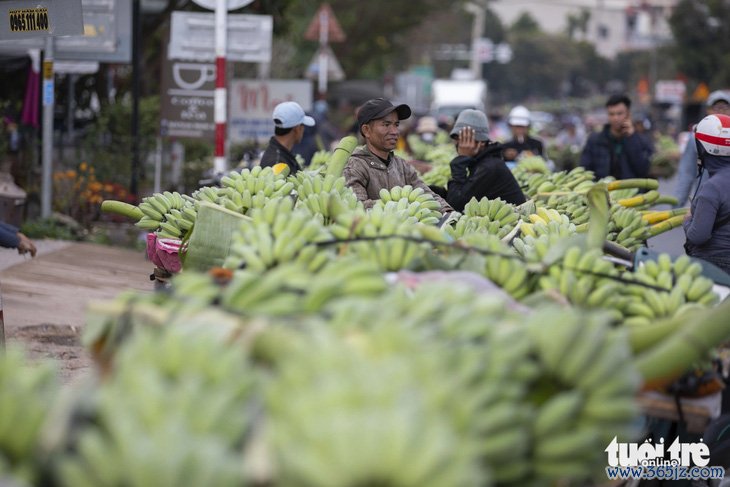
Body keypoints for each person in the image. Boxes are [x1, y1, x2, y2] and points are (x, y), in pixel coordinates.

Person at [343, 98, 452, 212]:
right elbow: (356, 206)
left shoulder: (401, 166)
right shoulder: (355, 167)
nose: (395, 131)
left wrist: (449, 213)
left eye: (396, 124)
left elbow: (428, 195)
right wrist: (404, 204)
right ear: (366, 130)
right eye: (386, 125)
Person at [446, 109, 526, 212]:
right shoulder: (481, 161)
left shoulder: (489, 167)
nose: (460, 144)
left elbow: (456, 205)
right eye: (457, 138)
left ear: (481, 142)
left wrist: (459, 163)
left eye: (465, 139)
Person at [683, 113, 730, 275]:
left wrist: (687, 220)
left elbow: (698, 236)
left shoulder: (712, 188)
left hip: (715, 264)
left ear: (703, 147)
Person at [674, 90, 730, 207]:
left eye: (725, 108)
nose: (720, 112)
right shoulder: (696, 136)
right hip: (705, 203)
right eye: (716, 108)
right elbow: (687, 173)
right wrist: (677, 205)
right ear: (707, 110)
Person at [579, 94, 654, 180]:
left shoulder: (642, 140)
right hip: (603, 191)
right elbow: (585, 170)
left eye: (619, 114)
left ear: (628, 114)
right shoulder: (595, 140)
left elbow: (643, 170)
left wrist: (632, 138)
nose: (615, 118)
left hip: (632, 191)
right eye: (611, 114)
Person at [260, 101, 315, 174]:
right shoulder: (277, 163)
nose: (303, 130)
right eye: (303, 126)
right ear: (297, 129)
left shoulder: (281, 154)